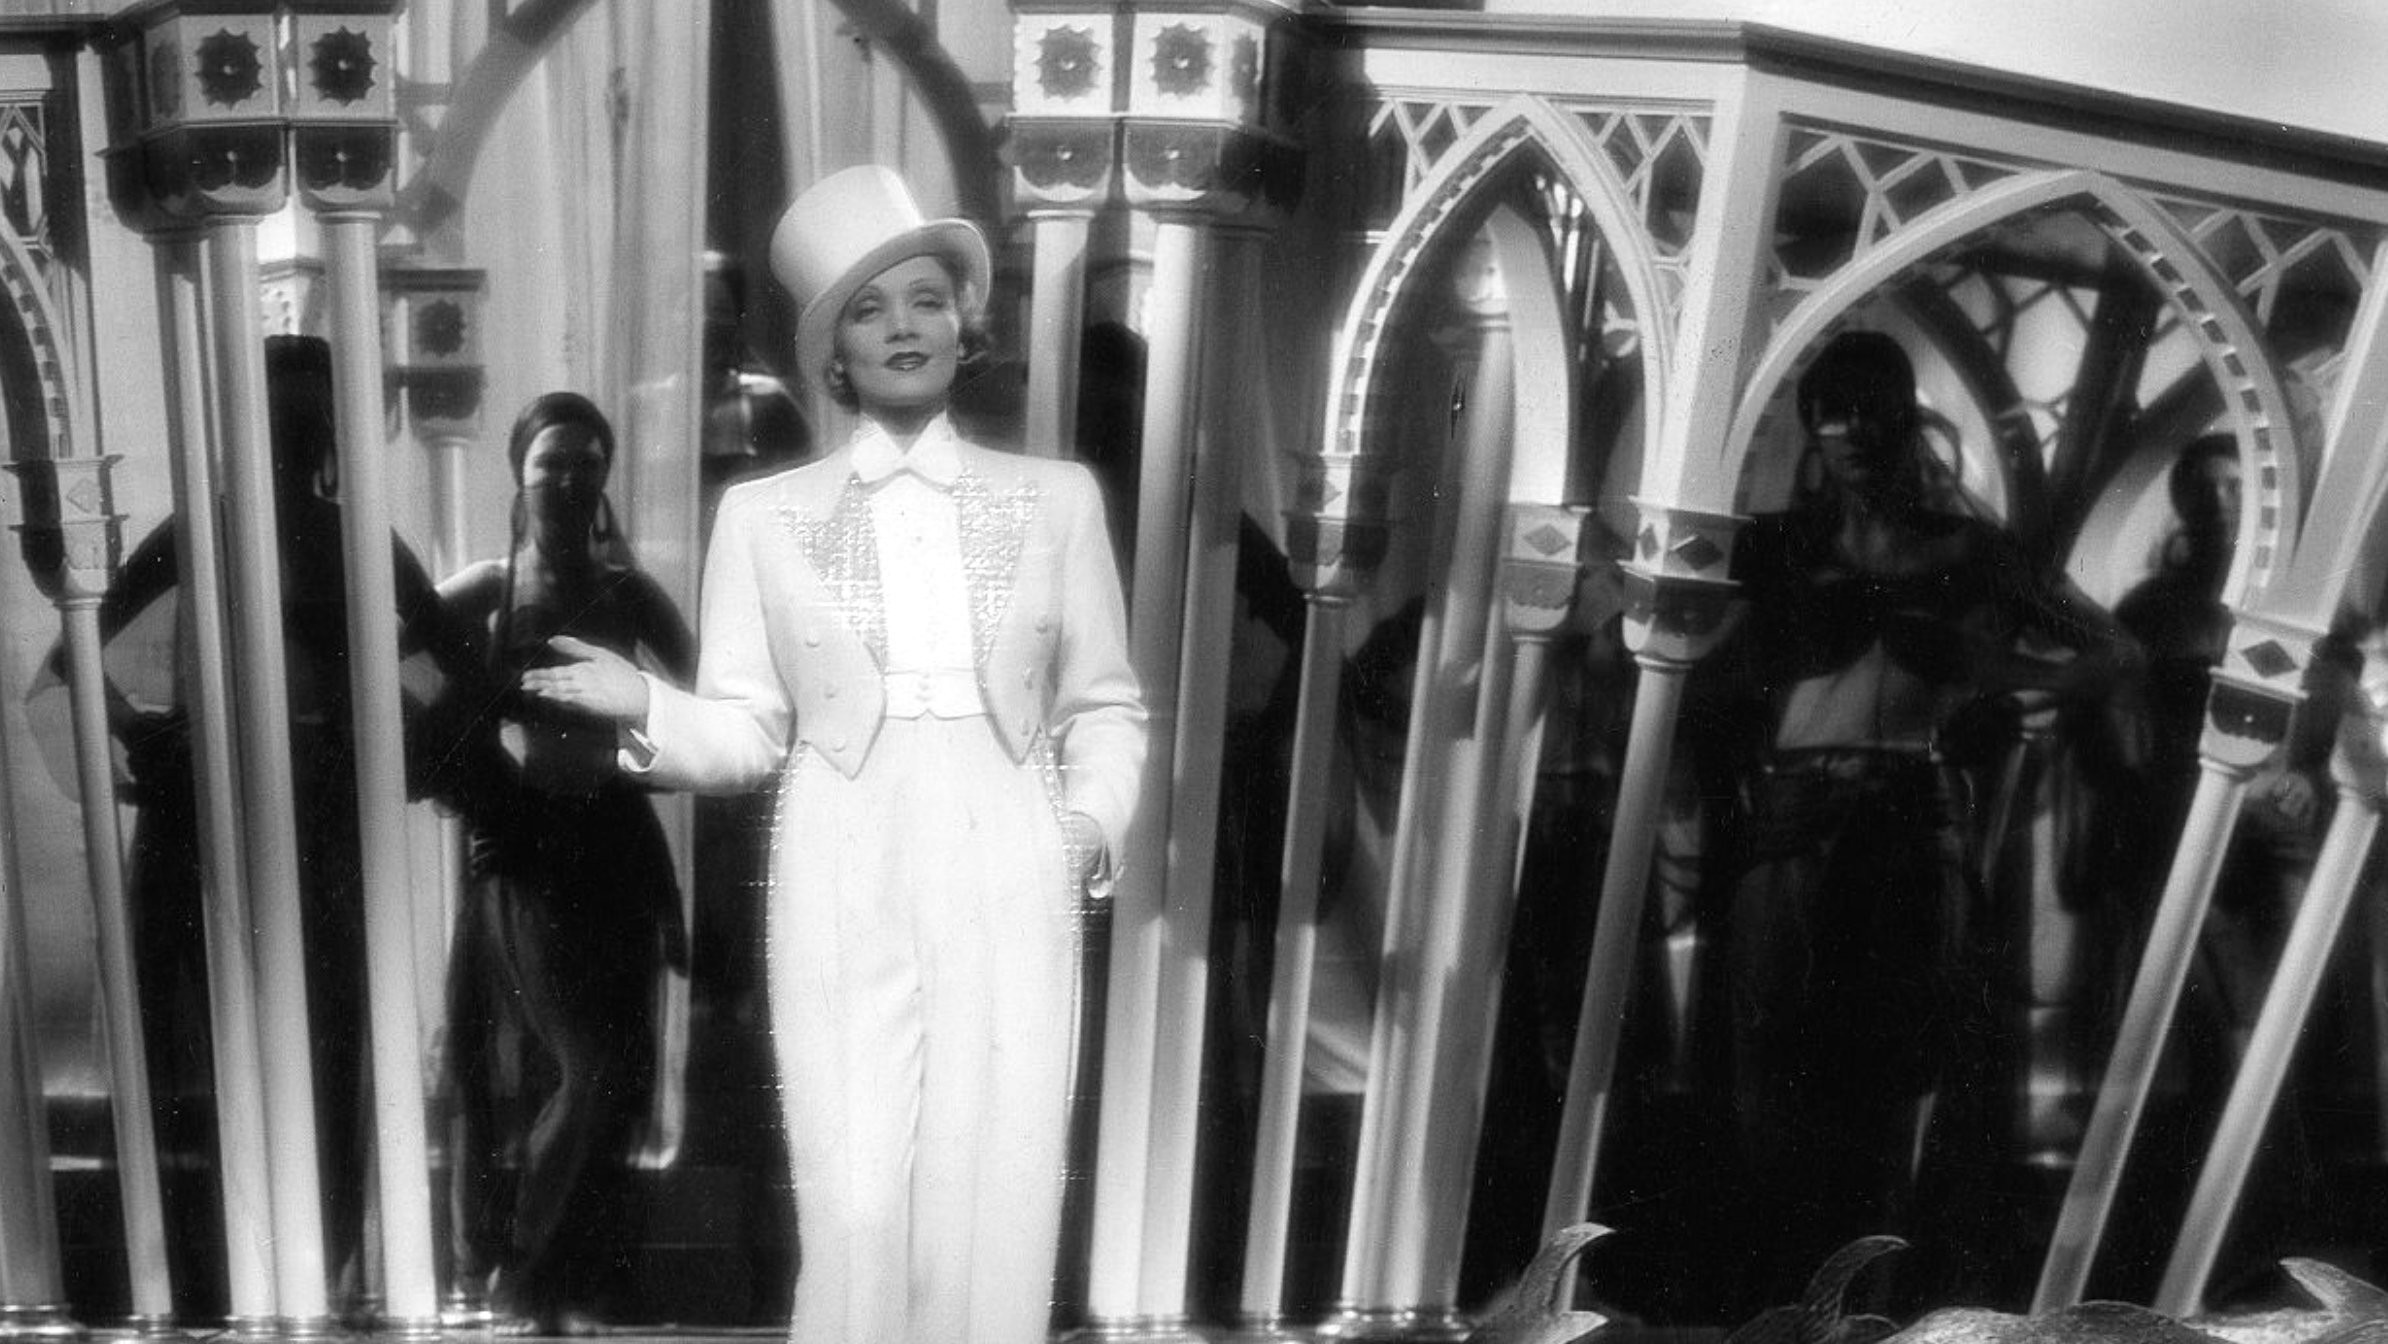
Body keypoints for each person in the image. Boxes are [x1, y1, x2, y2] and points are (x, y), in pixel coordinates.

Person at [522, 165, 1147, 1344]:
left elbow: (1105, 703)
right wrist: (646, 702)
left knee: (997, 1179)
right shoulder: (764, 515)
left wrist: (1083, 828)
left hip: (1009, 839)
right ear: (836, 355)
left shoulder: (1058, 500)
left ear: (964, 326)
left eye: (925, 300)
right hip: (842, 844)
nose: (903, 327)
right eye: (869, 310)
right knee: (853, 1193)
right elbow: (749, 728)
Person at [1688, 330, 2133, 1310]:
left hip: (1912, 818)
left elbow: (2114, 654)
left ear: (1904, 414)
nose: (1849, 429)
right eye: (1828, 411)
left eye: (1867, 406)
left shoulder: (1972, 551)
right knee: (1773, 1068)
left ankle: (1875, 1304)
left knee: (1898, 1072)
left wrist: (2002, 683)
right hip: (1793, 819)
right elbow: (1678, 648)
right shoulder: (1778, 545)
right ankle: (1780, 1302)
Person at [58, 334, 472, 1320]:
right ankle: (210, 1285)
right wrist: (150, 737)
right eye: (278, 418)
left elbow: (458, 665)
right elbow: (78, 653)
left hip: (325, 827)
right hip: (209, 828)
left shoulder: (361, 539)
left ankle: (318, 1278)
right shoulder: (200, 533)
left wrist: (399, 743)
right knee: (202, 1049)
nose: (294, 439)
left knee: (333, 1046)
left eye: (310, 421)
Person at [429, 393, 696, 1335]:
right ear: (520, 472)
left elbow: (705, 707)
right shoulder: (484, 588)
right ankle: (516, 1276)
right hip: (525, 854)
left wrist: (636, 749)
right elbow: (402, 677)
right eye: (552, 461)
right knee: (554, 1066)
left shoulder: (631, 594)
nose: (570, 478)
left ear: (606, 475)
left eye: (588, 461)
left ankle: (569, 1283)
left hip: (615, 847)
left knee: (613, 1068)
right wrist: (470, 770)